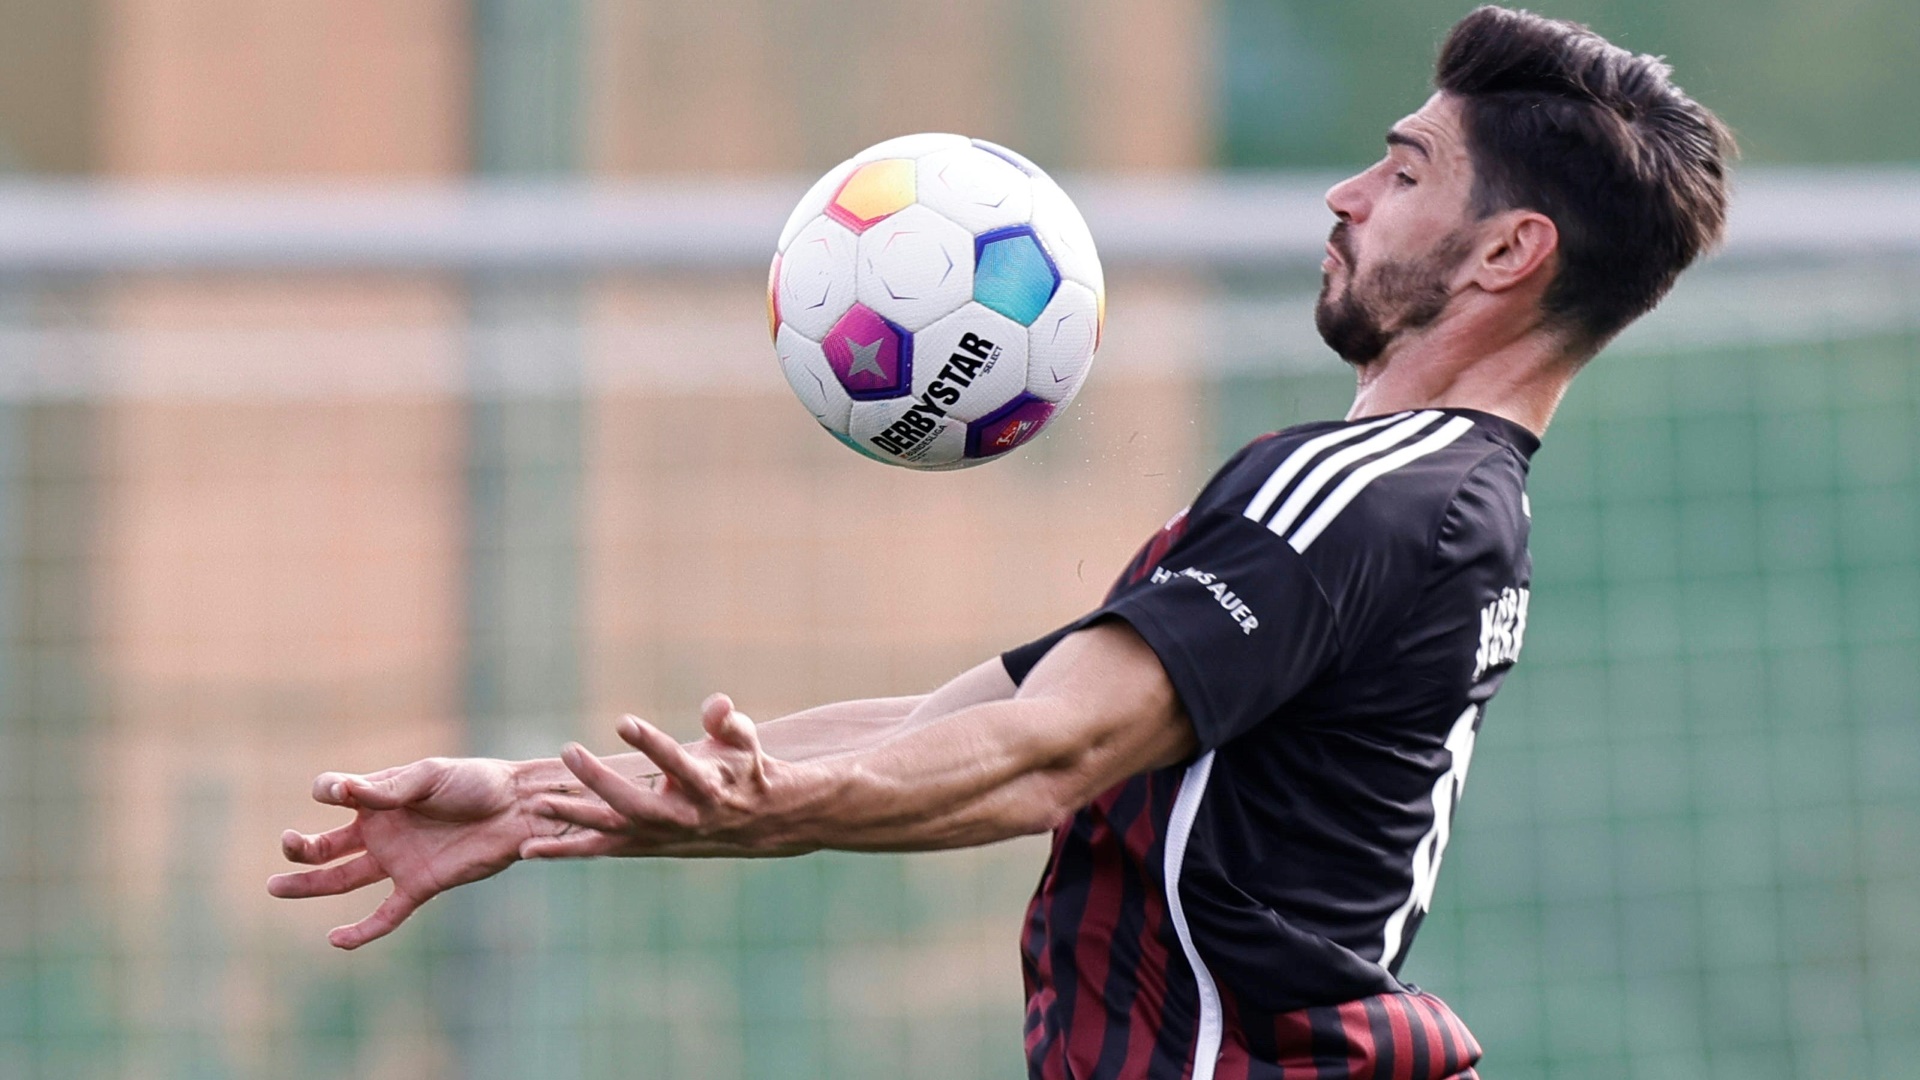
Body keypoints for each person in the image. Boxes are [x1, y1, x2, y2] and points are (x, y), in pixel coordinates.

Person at [270, 8, 1733, 1078]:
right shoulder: (1415, 499)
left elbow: (1042, 760)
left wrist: (746, 816)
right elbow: (965, 722)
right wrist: (534, 801)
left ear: (1505, 252)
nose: (1346, 195)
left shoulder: (1372, 493)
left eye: (1405, 172)